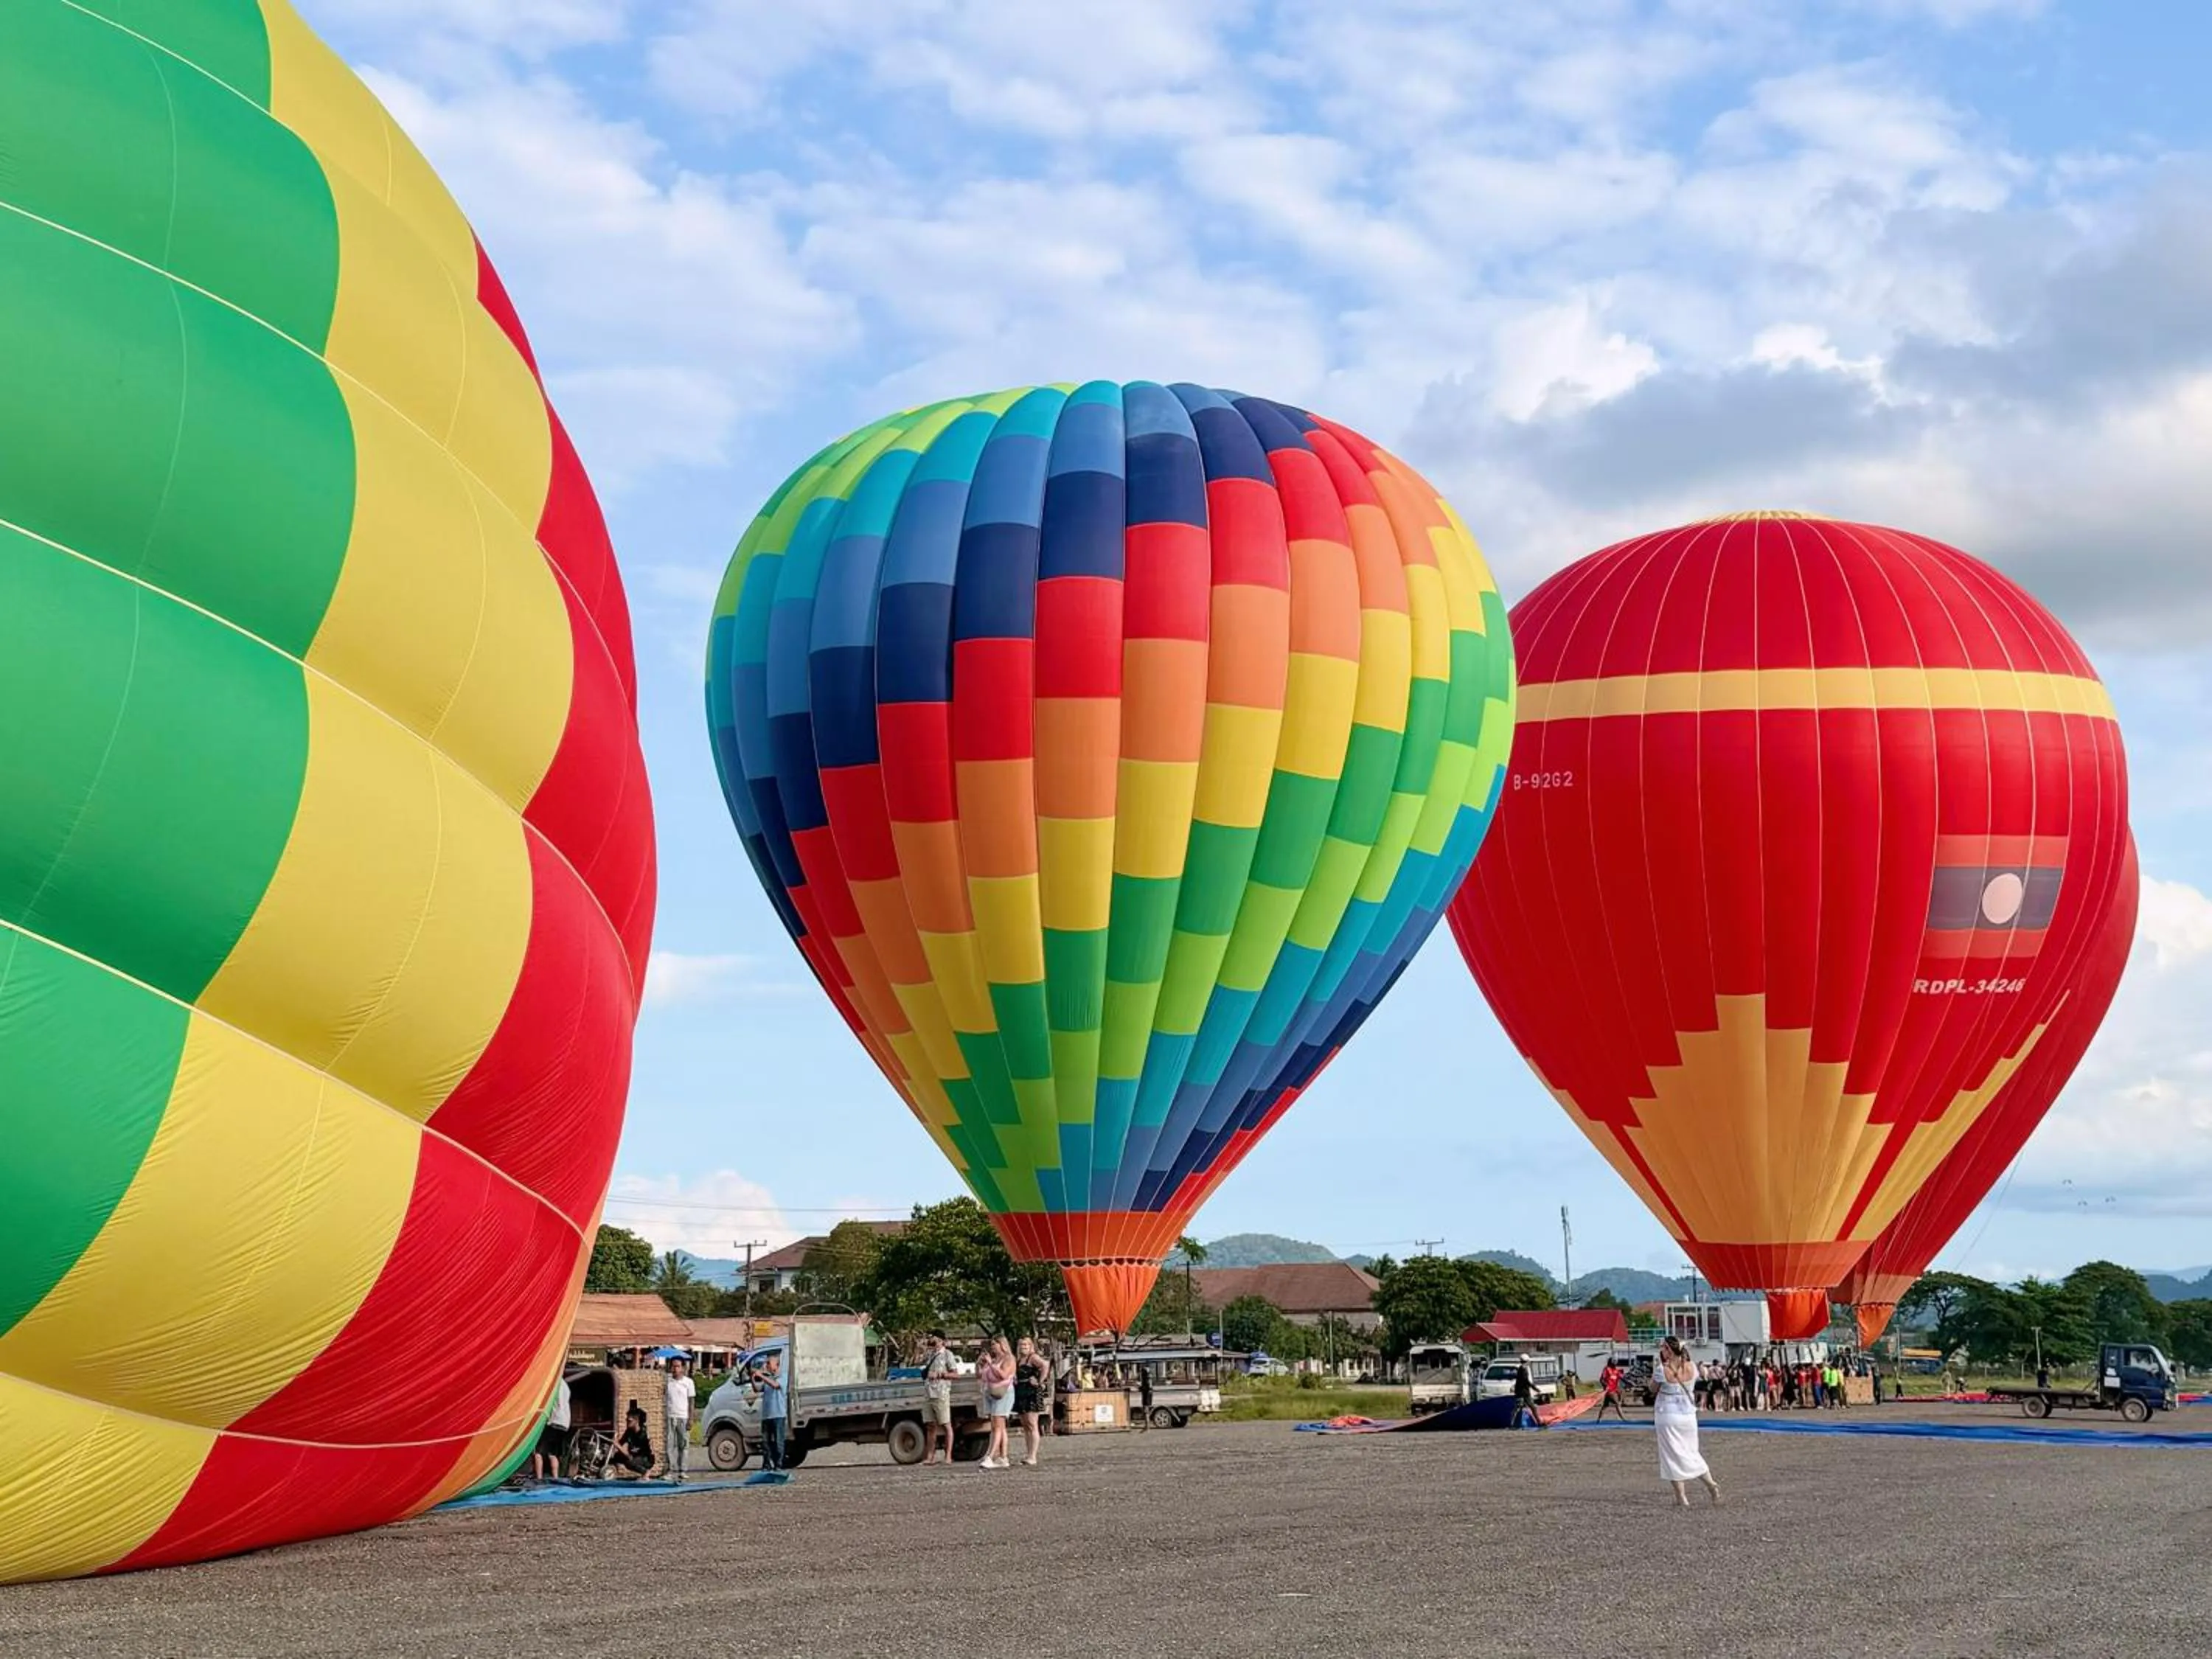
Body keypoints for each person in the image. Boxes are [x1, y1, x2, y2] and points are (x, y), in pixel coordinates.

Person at [1654, 1336, 1721, 1508]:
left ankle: (1681, 1498)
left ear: (1668, 1349)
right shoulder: (1692, 1368)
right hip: (1688, 1416)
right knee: (1691, 1452)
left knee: (1671, 1455)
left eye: (1663, 1347)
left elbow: (1653, 1389)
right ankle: (1711, 1484)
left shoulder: (1662, 1369)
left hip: (1668, 1414)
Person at [978, 1338, 1015, 1469]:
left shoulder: (1009, 1359)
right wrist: (980, 1364)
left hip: (1003, 1394)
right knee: (997, 1425)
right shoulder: (994, 1360)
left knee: (998, 1426)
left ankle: (991, 1456)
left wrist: (991, 1365)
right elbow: (980, 1376)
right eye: (992, 1345)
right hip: (991, 1393)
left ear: (1002, 1345)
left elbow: (1004, 1375)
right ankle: (1003, 1457)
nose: (992, 1347)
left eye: (995, 1344)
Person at [921, 1332, 956, 1466]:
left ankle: (948, 1456)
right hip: (928, 1393)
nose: (932, 1340)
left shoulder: (948, 1355)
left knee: (946, 1424)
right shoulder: (930, 1355)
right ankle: (930, 1457)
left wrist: (940, 1375)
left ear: (941, 1340)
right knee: (930, 1425)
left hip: (941, 1393)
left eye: (934, 1338)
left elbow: (955, 1374)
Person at [1013, 1337, 1048, 1467]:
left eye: (1026, 1345)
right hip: (1021, 1391)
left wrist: (1040, 1381)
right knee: (1025, 1425)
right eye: (1022, 1345)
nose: (1024, 1347)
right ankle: (1029, 1454)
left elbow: (1045, 1365)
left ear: (1031, 1346)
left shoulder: (1032, 1358)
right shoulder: (1019, 1360)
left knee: (1032, 1424)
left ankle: (1033, 1456)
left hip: (1031, 1392)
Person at [532, 1370, 572, 1481]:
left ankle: (539, 1479)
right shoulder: (565, 1385)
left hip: (554, 1421)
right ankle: (556, 1478)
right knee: (552, 1453)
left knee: (538, 1452)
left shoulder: (552, 1385)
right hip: (564, 1424)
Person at [754, 1351, 788, 1472]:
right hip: (766, 1416)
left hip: (778, 1414)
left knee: (778, 1441)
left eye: (769, 1363)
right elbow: (758, 1389)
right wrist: (754, 1378)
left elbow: (775, 1385)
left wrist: (762, 1376)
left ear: (777, 1365)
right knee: (766, 1442)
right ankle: (766, 1464)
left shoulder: (782, 1377)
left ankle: (778, 1465)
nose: (767, 1365)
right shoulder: (767, 1379)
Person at [662, 1357, 695, 1483]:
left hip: (683, 1417)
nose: (675, 1369)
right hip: (670, 1416)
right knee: (669, 1444)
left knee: (684, 1445)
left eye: (678, 1366)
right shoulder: (668, 1382)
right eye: (673, 1366)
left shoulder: (688, 1383)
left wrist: (691, 1419)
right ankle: (670, 1470)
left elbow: (691, 1401)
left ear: (683, 1368)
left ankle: (683, 1470)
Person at [605, 1403, 654, 1479]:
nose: (627, 1422)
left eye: (629, 1421)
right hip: (635, 1455)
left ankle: (646, 1472)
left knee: (629, 1463)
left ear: (637, 1421)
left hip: (646, 1458)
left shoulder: (643, 1434)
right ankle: (609, 1473)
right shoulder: (629, 1431)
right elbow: (620, 1443)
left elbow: (629, 1456)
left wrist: (617, 1445)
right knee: (616, 1457)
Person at [1596, 1358, 1628, 1422]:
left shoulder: (1616, 1371)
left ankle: (1599, 1420)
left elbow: (1622, 1378)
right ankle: (1624, 1419)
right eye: (1614, 1362)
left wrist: (1629, 1383)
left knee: (1605, 1406)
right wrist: (1605, 1386)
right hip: (1609, 1391)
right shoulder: (1606, 1369)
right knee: (1617, 1403)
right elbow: (1602, 1380)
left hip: (1614, 1390)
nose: (1615, 1364)